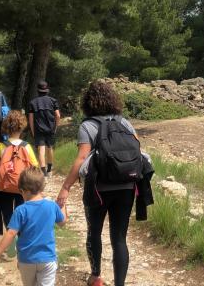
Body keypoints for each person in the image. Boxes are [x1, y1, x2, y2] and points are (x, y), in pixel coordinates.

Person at [56, 80, 139, 286]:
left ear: (88, 102)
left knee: (94, 232)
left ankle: (96, 276)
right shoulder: (124, 123)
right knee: (119, 238)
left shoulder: (88, 125)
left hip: (98, 189)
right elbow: (136, 148)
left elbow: (82, 158)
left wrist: (66, 187)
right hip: (127, 186)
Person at [0, 167, 68, 286]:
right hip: (47, 259)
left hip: (26, 260)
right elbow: (62, 223)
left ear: (23, 190)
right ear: (42, 187)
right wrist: (62, 206)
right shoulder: (52, 206)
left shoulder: (20, 210)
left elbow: (11, 233)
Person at [0, 110, 39, 245]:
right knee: (21, 211)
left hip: (4, 187)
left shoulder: (0, 146)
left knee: (7, 212)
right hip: (23, 187)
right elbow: (35, 167)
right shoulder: (27, 147)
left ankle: (11, 235)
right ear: (22, 127)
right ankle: (21, 237)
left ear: (6, 127)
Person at [27, 80, 60, 177]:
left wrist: (33, 132)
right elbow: (57, 115)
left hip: (38, 129)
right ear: (47, 90)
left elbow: (31, 119)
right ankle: (49, 170)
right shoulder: (53, 101)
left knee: (41, 149)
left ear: (38, 91)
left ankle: (43, 172)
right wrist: (55, 127)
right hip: (50, 129)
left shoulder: (33, 102)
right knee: (50, 148)